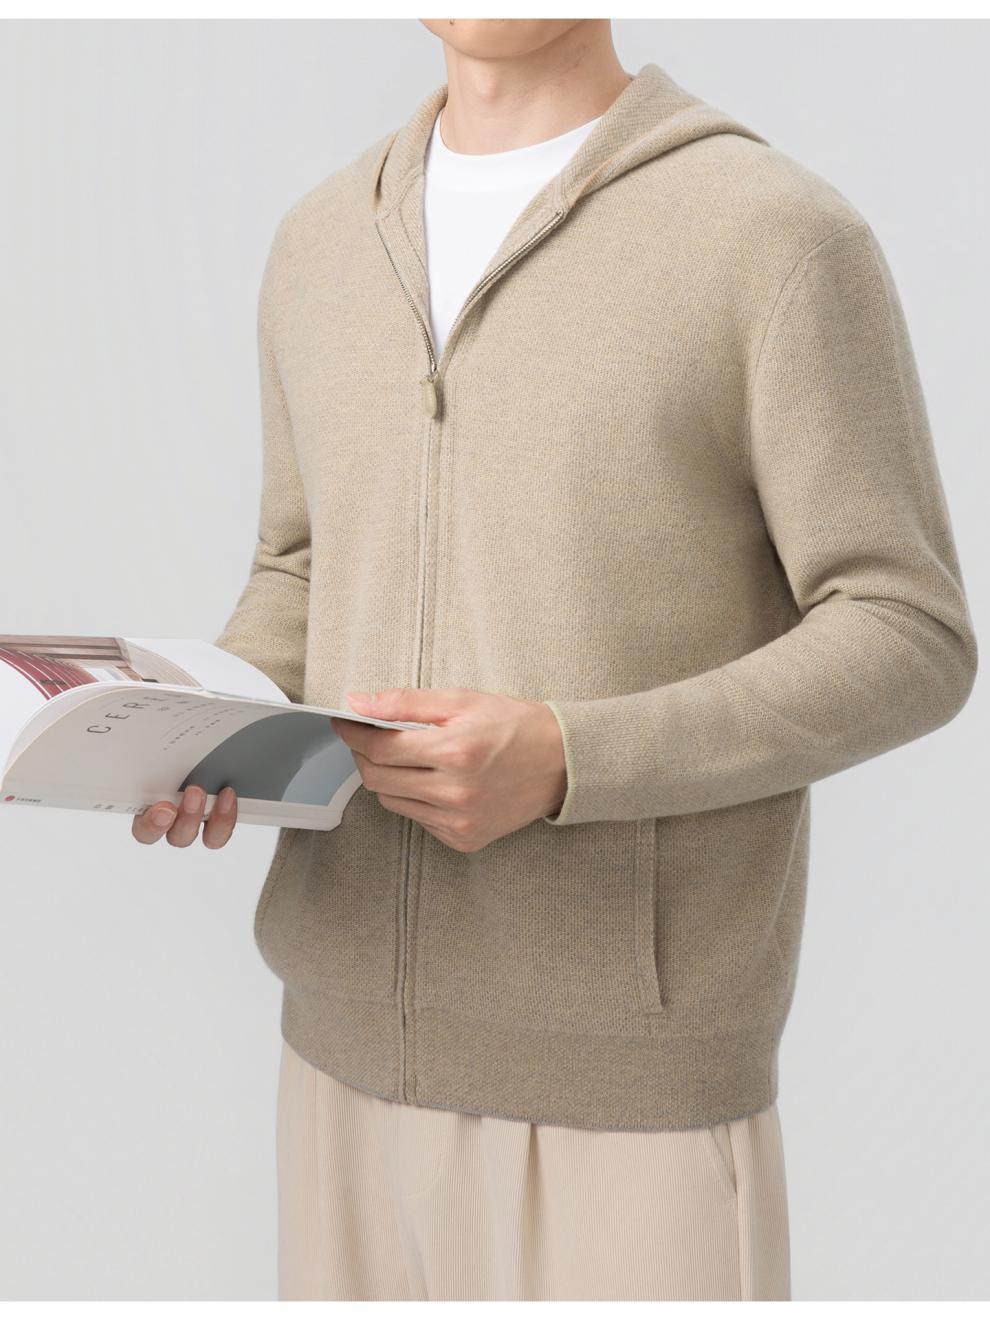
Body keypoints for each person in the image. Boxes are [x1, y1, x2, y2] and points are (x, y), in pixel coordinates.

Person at [131, 19, 977, 1302]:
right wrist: (214, 725)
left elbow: (908, 628)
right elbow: (299, 563)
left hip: (629, 1098)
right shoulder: (318, 243)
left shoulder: (774, 236)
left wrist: (574, 759)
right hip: (336, 1066)